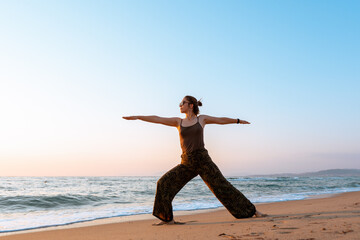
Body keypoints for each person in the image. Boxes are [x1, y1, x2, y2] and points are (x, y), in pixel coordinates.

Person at [123, 95, 266, 225]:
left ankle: (253, 211)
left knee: (223, 186)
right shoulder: (178, 122)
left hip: (203, 160)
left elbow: (220, 120)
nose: (180, 105)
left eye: (182, 103)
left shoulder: (201, 119)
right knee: (163, 183)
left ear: (191, 105)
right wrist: (137, 117)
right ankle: (168, 219)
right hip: (187, 163)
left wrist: (238, 121)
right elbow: (158, 119)